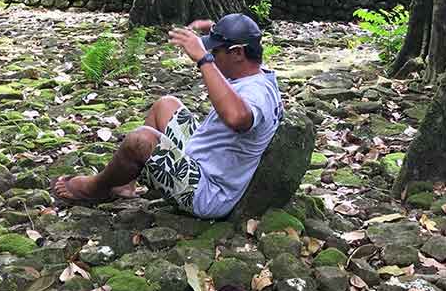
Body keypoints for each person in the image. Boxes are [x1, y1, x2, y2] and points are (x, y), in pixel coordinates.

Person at [51, 14, 283, 219]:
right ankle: (124, 186)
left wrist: (204, 60)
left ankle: (96, 188)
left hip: (207, 191)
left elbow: (237, 118)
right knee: (166, 105)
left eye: (216, 51)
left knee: (141, 140)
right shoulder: (255, 76)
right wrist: (217, 29)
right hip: (201, 159)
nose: (212, 55)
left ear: (238, 53)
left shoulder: (257, 92)